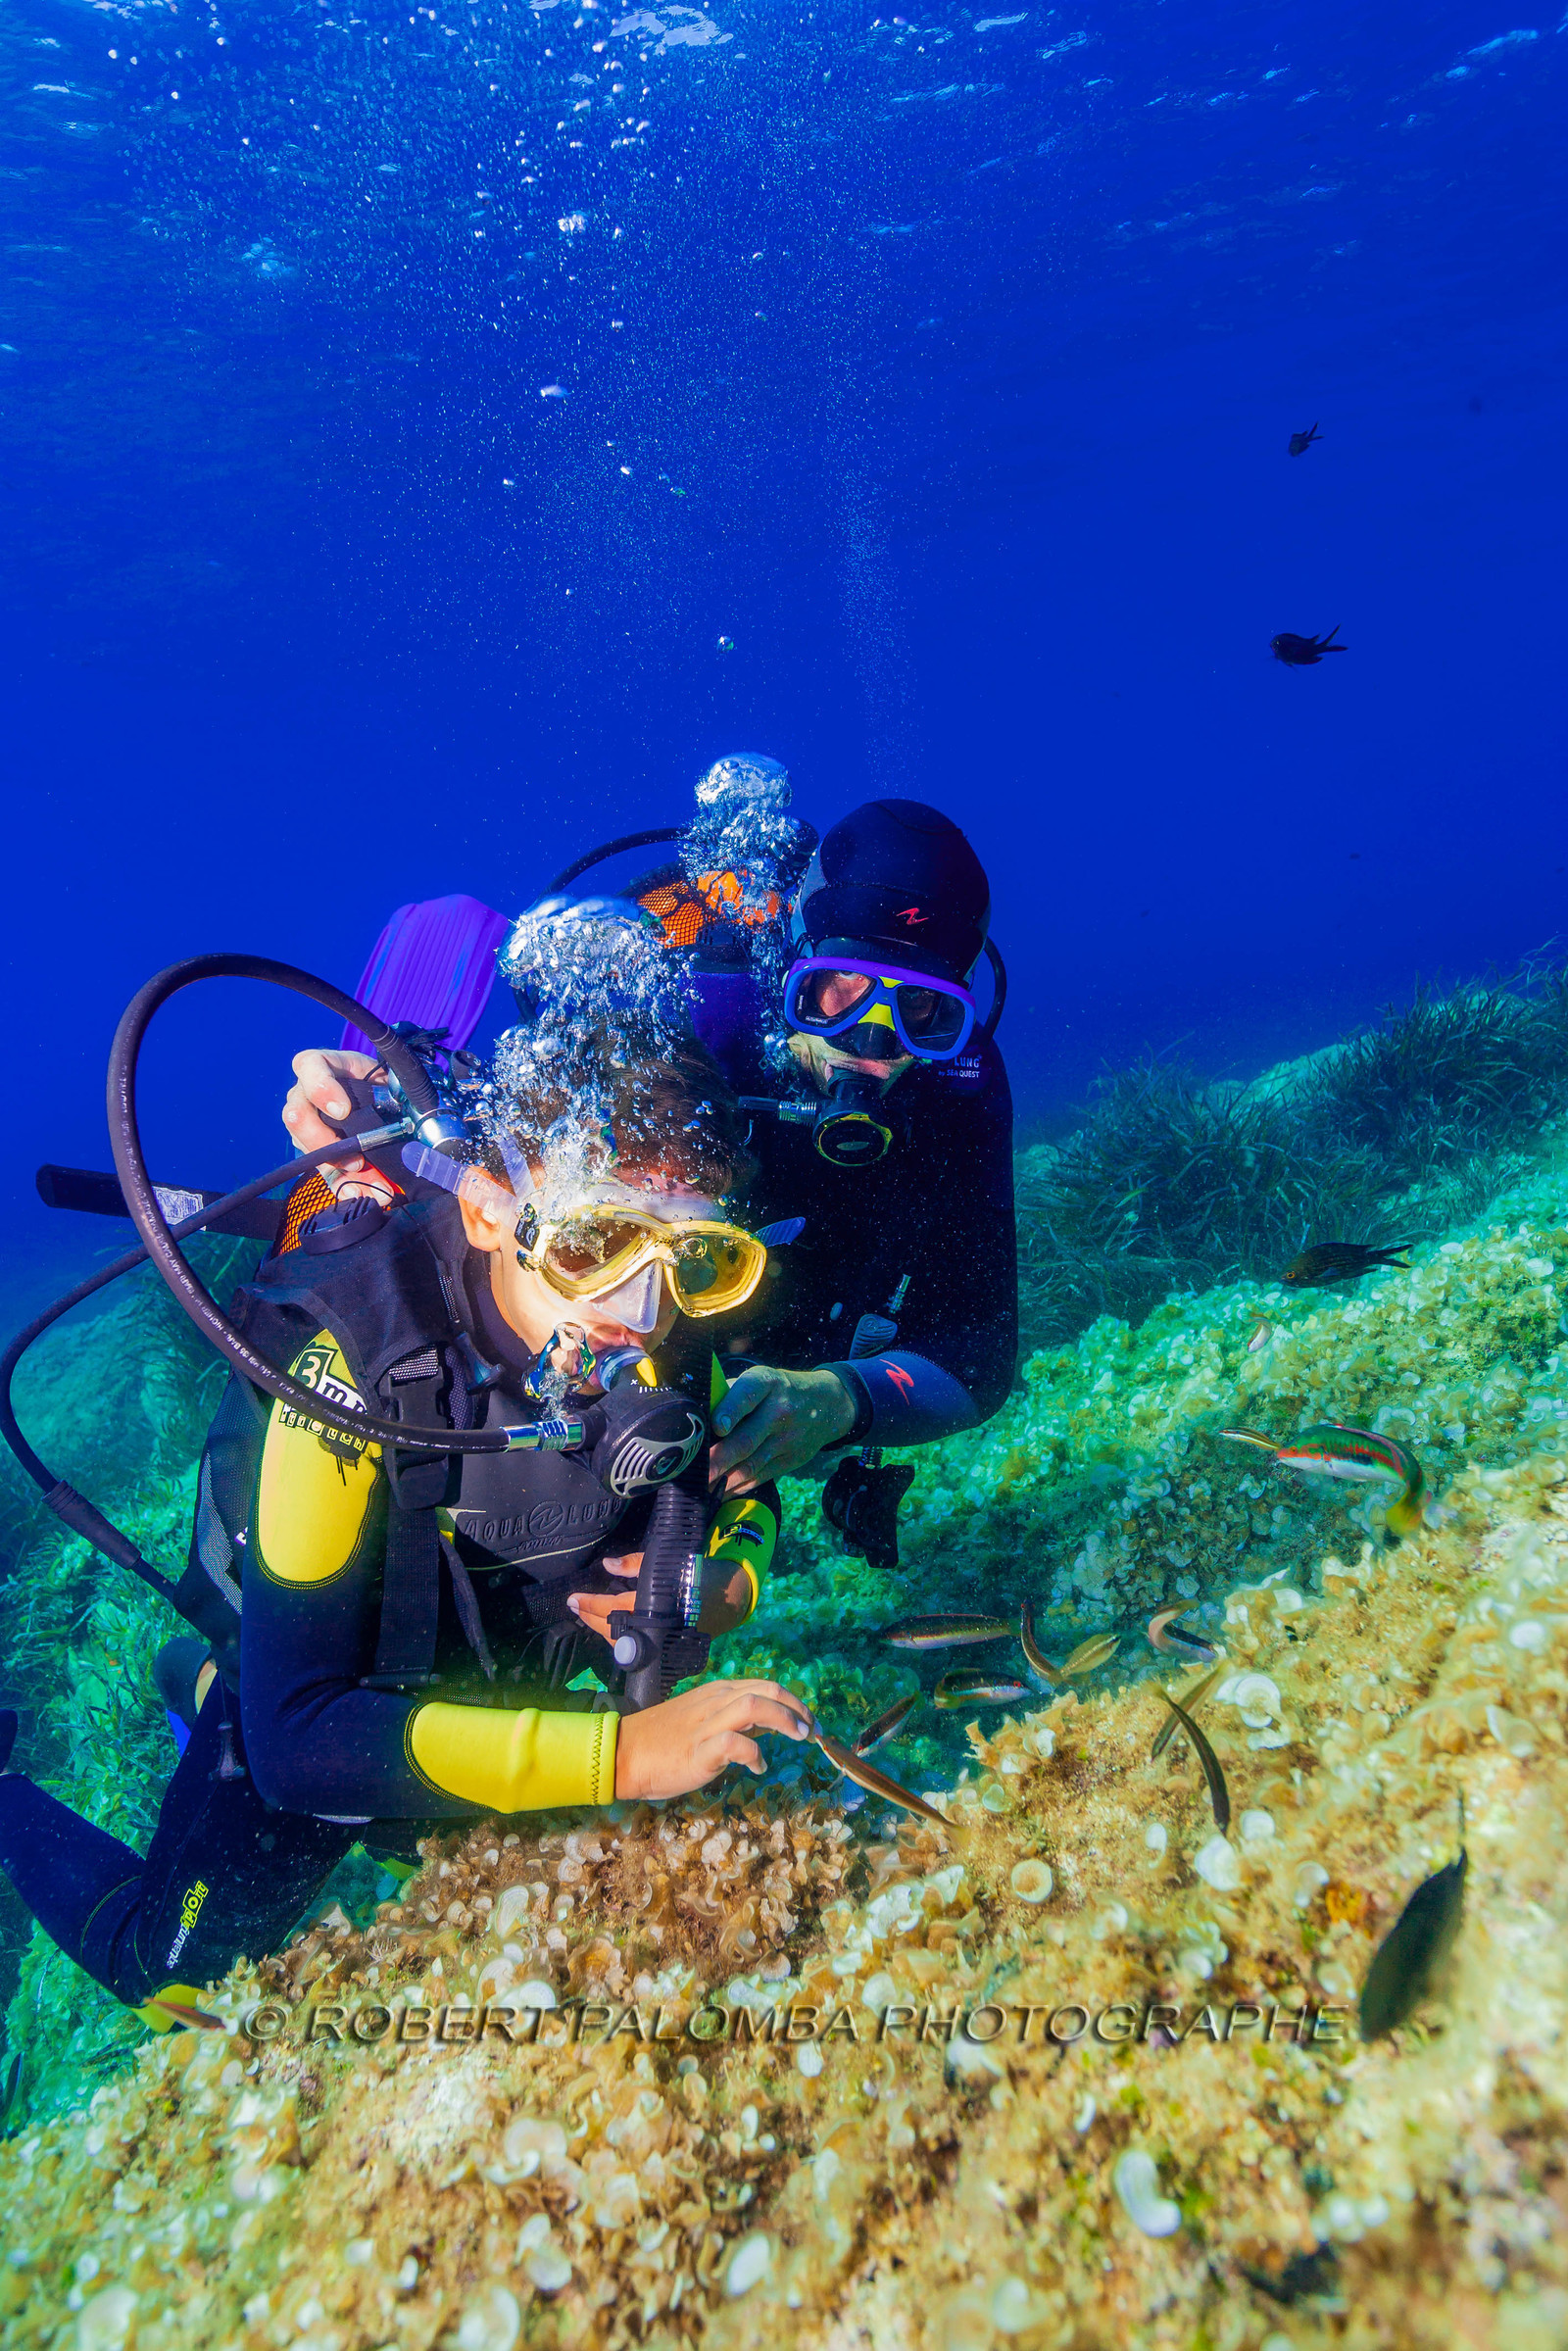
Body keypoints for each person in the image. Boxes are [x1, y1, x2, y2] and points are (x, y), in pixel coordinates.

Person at [0, 1021, 808, 2028]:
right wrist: (628, 1755)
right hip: (336, 1702)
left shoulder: (669, 1336)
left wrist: (732, 1580)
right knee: (170, 1984)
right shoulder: (346, 1373)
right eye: (592, 1241)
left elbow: (744, 1488)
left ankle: (202, 1679)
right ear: (486, 1213)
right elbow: (299, 1742)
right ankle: (116, 1725)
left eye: (694, 1255)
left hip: (507, 1674)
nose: (638, 1308)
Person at [283, 793, 1018, 1509]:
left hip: (781, 1378)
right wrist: (398, 1103)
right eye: (837, 991)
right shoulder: (700, 1014)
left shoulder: (961, 1091)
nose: (872, 1042)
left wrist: (840, 1398)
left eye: (925, 1010)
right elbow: (526, 1142)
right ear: (787, 967)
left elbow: (979, 1354)